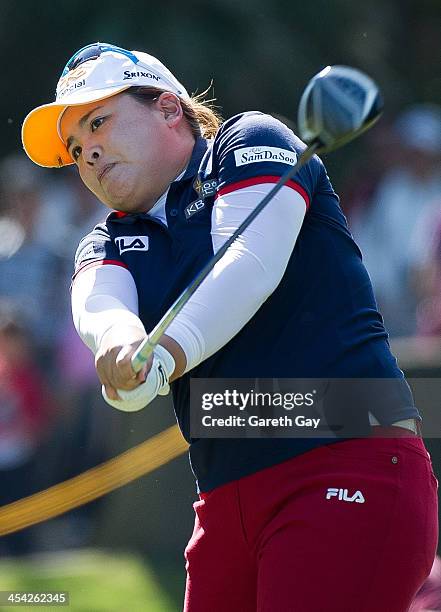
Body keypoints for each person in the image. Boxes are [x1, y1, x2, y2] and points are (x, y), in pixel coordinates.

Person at [22, 43, 438, 611]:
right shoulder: (108, 239)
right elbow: (98, 304)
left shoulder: (250, 142)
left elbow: (249, 265)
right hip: (223, 503)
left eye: (98, 123)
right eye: (74, 148)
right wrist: (122, 352)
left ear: (170, 109)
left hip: (346, 461)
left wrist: (165, 351)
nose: (87, 153)